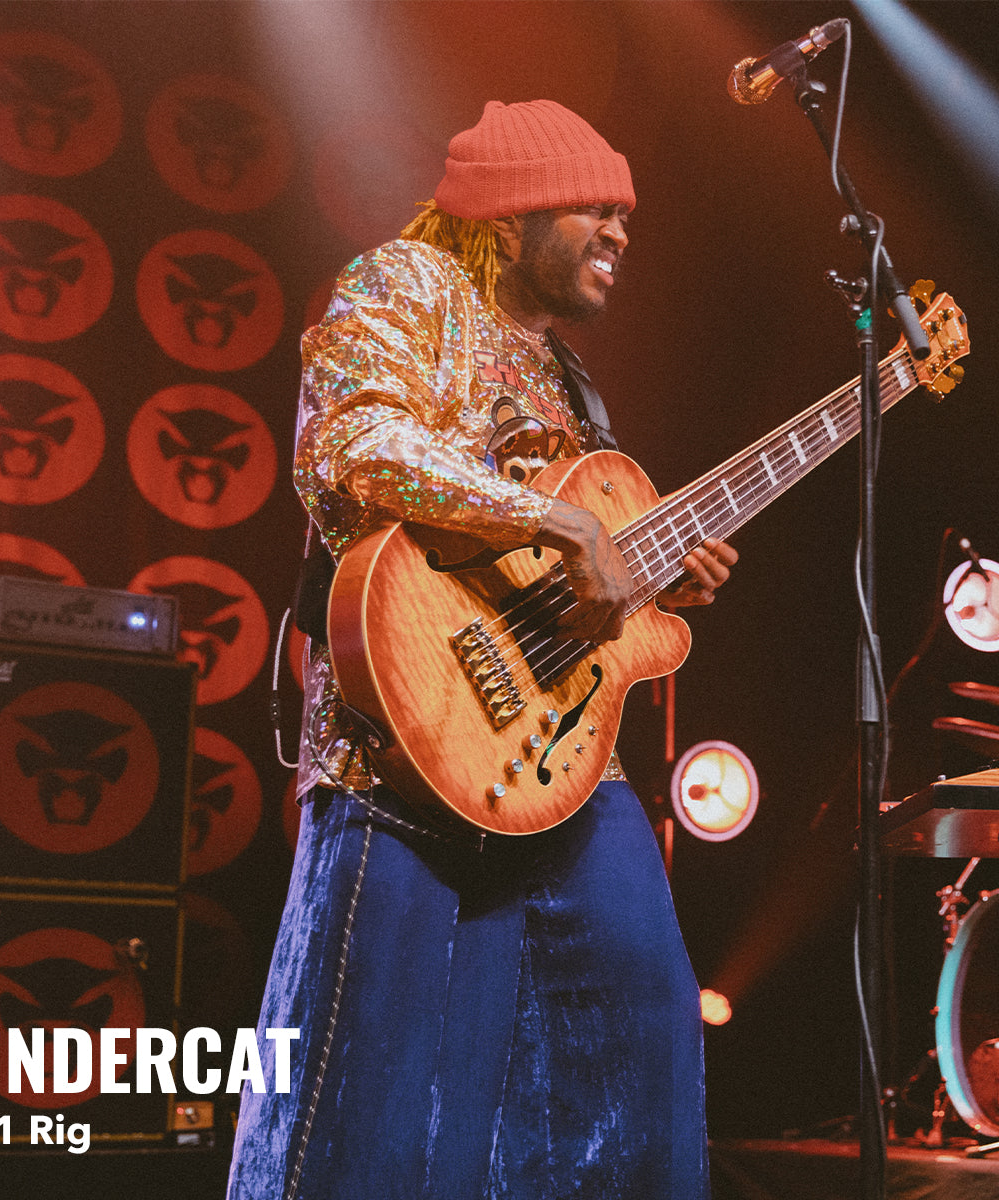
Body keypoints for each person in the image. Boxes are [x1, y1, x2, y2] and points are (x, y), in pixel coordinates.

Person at [226, 99, 737, 1200]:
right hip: (400, 745)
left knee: (642, 1034)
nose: (622, 230)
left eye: (628, 213)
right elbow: (351, 444)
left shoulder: (568, 380)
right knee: (377, 1093)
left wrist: (647, 570)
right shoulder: (403, 284)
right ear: (509, 220)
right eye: (596, 206)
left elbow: (563, 586)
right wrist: (562, 525)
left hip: (559, 763)